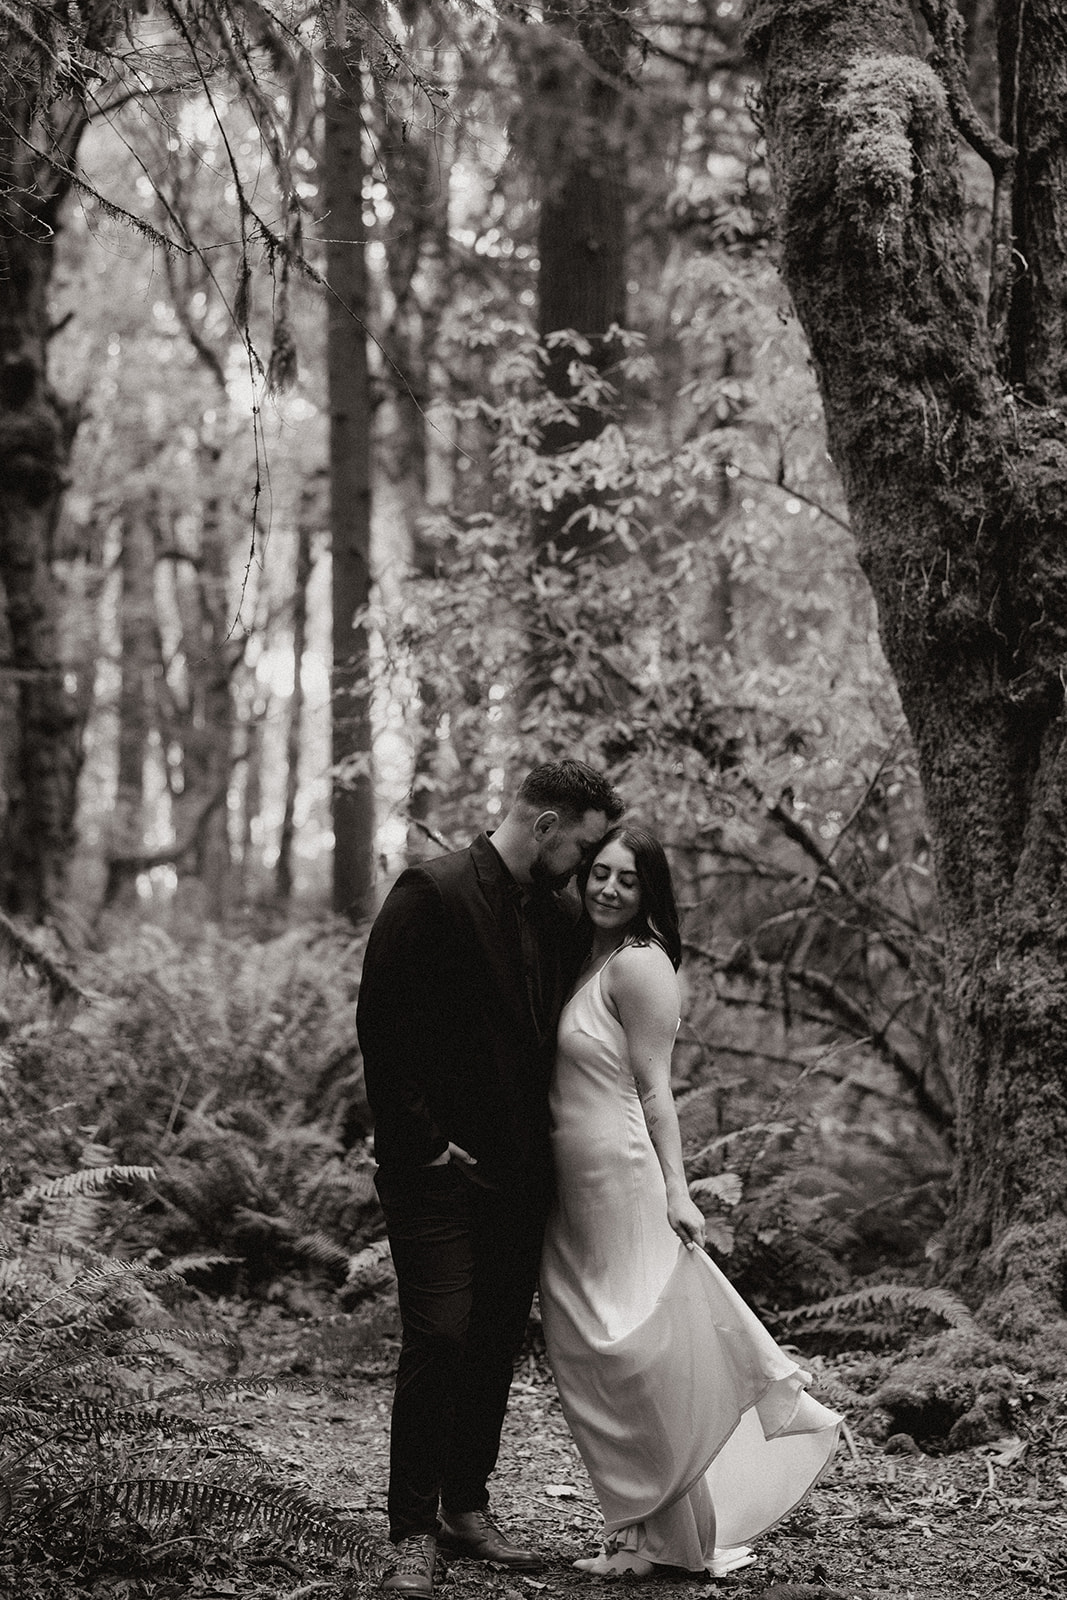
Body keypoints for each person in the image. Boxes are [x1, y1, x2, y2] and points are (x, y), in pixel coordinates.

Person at [539, 824, 841, 1581]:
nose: (607, 889)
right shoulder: (591, 955)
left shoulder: (640, 964)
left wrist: (678, 1188)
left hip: (620, 1174)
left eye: (627, 880)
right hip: (568, 1187)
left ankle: (651, 1538)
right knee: (589, 1350)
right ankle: (657, 1532)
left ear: (650, 892)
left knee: (626, 1350)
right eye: (598, 874)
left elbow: (656, 1091)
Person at [356, 761, 623, 1598]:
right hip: (433, 1174)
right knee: (440, 1333)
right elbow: (381, 1029)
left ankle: (465, 1509)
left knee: (494, 1339)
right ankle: (408, 1530)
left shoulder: (555, 911)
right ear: (544, 825)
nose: (583, 865)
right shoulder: (428, 894)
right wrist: (426, 1147)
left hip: (520, 1171)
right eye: (580, 846)